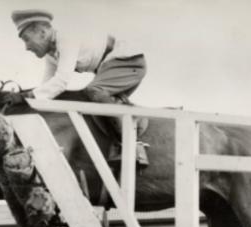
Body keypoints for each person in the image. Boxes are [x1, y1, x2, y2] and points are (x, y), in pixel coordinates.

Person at [9, 9, 148, 165]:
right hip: (111, 67)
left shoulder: (66, 38)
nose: (26, 47)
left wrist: (28, 96)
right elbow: (47, 89)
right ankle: (126, 124)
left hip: (129, 61)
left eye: (27, 39)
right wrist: (26, 98)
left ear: (42, 32)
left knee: (93, 92)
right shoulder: (51, 55)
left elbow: (61, 81)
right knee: (88, 96)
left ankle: (133, 143)